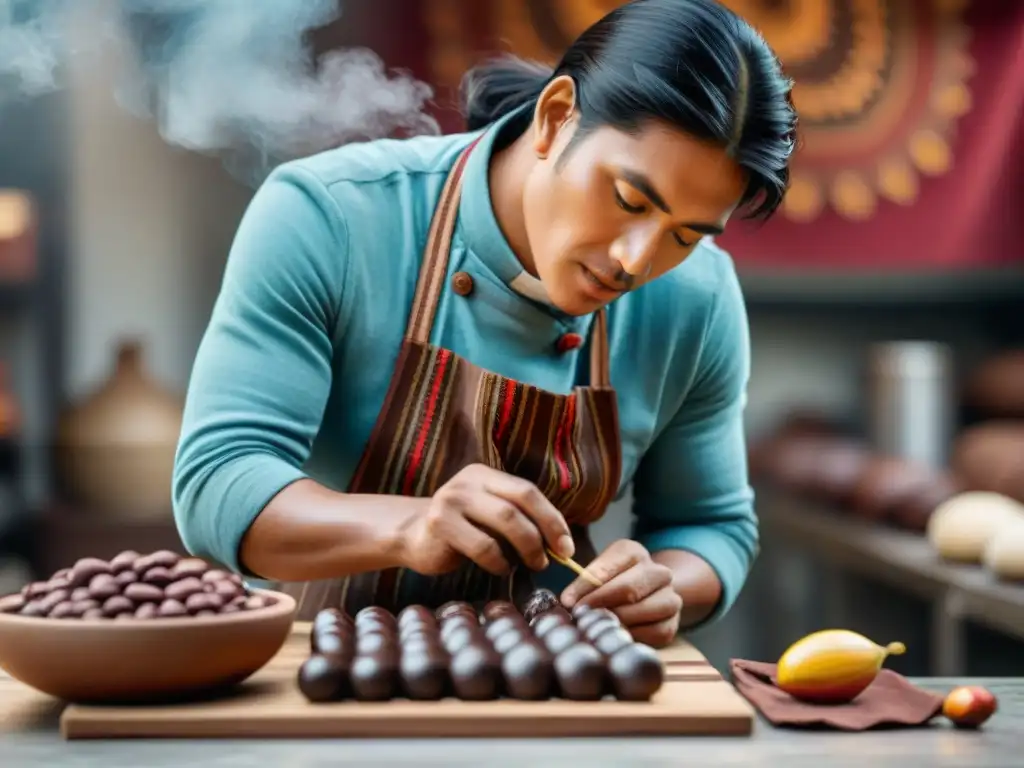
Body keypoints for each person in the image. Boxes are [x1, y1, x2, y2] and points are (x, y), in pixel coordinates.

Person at [172, 0, 796, 648]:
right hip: (320, 673)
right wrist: (412, 528)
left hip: (556, 689)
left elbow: (710, 525)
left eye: (687, 235)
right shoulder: (326, 217)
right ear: (557, 117)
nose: (635, 261)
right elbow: (219, 482)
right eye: (629, 200)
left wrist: (667, 584)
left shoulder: (696, 299)